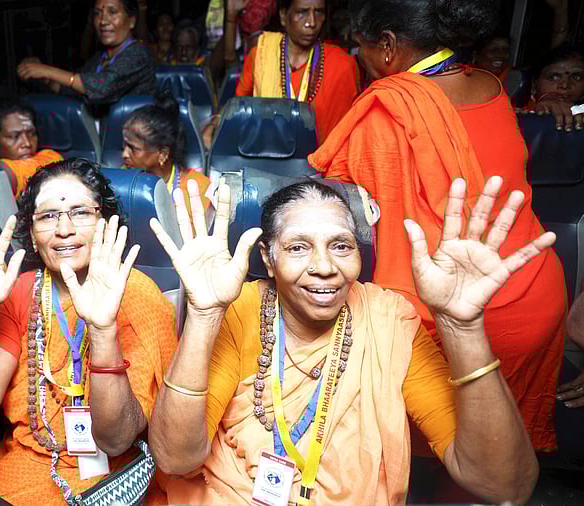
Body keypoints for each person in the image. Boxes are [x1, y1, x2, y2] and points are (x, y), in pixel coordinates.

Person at [148, 176, 544, 504]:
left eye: (341, 246)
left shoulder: (388, 322)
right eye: (299, 248)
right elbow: (175, 458)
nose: (324, 267)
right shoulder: (241, 312)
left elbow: (504, 485)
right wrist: (203, 315)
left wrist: (463, 326)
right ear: (268, 259)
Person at [308, 0, 568, 456]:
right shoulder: (491, 85)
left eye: (362, 48)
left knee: (431, 452)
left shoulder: (383, 111)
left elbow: (336, 205)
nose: (359, 60)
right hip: (534, 298)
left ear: (387, 47)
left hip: (441, 316)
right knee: (503, 454)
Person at [0, 158, 177, 505]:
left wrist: (102, 327)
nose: (64, 229)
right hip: (17, 477)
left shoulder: (138, 295)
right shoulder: (18, 292)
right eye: (48, 216)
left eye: (80, 212)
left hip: (108, 483)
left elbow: (116, 440)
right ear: (34, 238)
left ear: (105, 225)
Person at [204, 0, 360, 147]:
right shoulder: (262, 54)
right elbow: (239, 104)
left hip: (321, 169)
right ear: (284, 16)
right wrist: (216, 121)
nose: (312, 22)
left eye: (319, 12)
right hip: (266, 159)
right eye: (302, 12)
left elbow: (347, 133)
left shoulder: (343, 65)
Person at [17, 0, 156, 112]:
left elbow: (101, 88)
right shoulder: (100, 57)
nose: (103, 21)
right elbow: (76, 90)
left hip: (135, 142)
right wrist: (45, 77)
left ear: (131, 21)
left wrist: (48, 70)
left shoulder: (138, 53)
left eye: (112, 12)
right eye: (97, 13)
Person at [122, 95, 211, 219]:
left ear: (162, 154)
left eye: (133, 148)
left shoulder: (198, 189)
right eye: (124, 146)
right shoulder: (119, 180)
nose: (124, 154)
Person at [524, 46, 584, 132]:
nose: (565, 85)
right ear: (534, 85)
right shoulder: (516, 113)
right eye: (554, 77)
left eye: (576, 77)